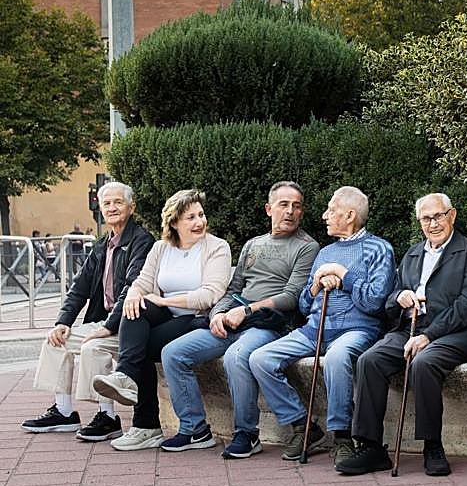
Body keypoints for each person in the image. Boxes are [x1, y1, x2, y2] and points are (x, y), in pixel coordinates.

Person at [158, 182, 319, 456]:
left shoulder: (307, 247)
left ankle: (247, 433)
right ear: (269, 209)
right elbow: (233, 289)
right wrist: (217, 313)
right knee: (172, 353)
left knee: (236, 356)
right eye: (283, 204)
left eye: (297, 206)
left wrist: (247, 310)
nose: (290, 211)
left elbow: (291, 297)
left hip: (271, 324)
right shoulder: (253, 244)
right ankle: (194, 429)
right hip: (232, 320)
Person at [336, 193, 467, 477]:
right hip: (409, 328)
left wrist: (429, 335)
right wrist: (400, 296)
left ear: (451, 215)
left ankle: (432, 445)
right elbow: (390, 299)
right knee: (370, 360)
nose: (432, 224)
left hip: (455, 332)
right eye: (426, 219)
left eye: (438, 216)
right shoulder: (413, 254)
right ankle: (371, 447)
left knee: (423, 362)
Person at [249, 186, 394, 463]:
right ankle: (302, 426)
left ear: (350, 215)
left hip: (357, 329)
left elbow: (376, 302)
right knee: (260, 358)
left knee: (337, 358)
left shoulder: (379, 248)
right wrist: (315, 286)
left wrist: (344, 277)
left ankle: (342, 436)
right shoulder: (325, 252)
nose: (325, 216)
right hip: (314, 329)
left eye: (331, 210)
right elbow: (304, 305)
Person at [91, 190, 233, 451]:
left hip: (196, 318)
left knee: (140, 344)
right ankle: (126, 379)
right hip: (165, 316)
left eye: (200, 215)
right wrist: (134, 294)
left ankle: (145, 423)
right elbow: (142, 283)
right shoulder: (161, 247)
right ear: (174, 222)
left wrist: (165, 301)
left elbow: (210, 295)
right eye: (190, 217)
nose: (199, 222)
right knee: (136, 306)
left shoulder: (217, 247)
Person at [23, 182, 153, 441]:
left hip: (128, 323)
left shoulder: (141, 241)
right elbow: (78, 289)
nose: (112, 208)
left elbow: (132, 288)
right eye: (107, 204)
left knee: (92, 347)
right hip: (103, 320)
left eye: (118, 202)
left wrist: (106, 327)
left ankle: (108, 417)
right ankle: (64, 411)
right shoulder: (102, 245)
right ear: (100, 209)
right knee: (55, 340)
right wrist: (63, 321)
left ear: (132, 206)